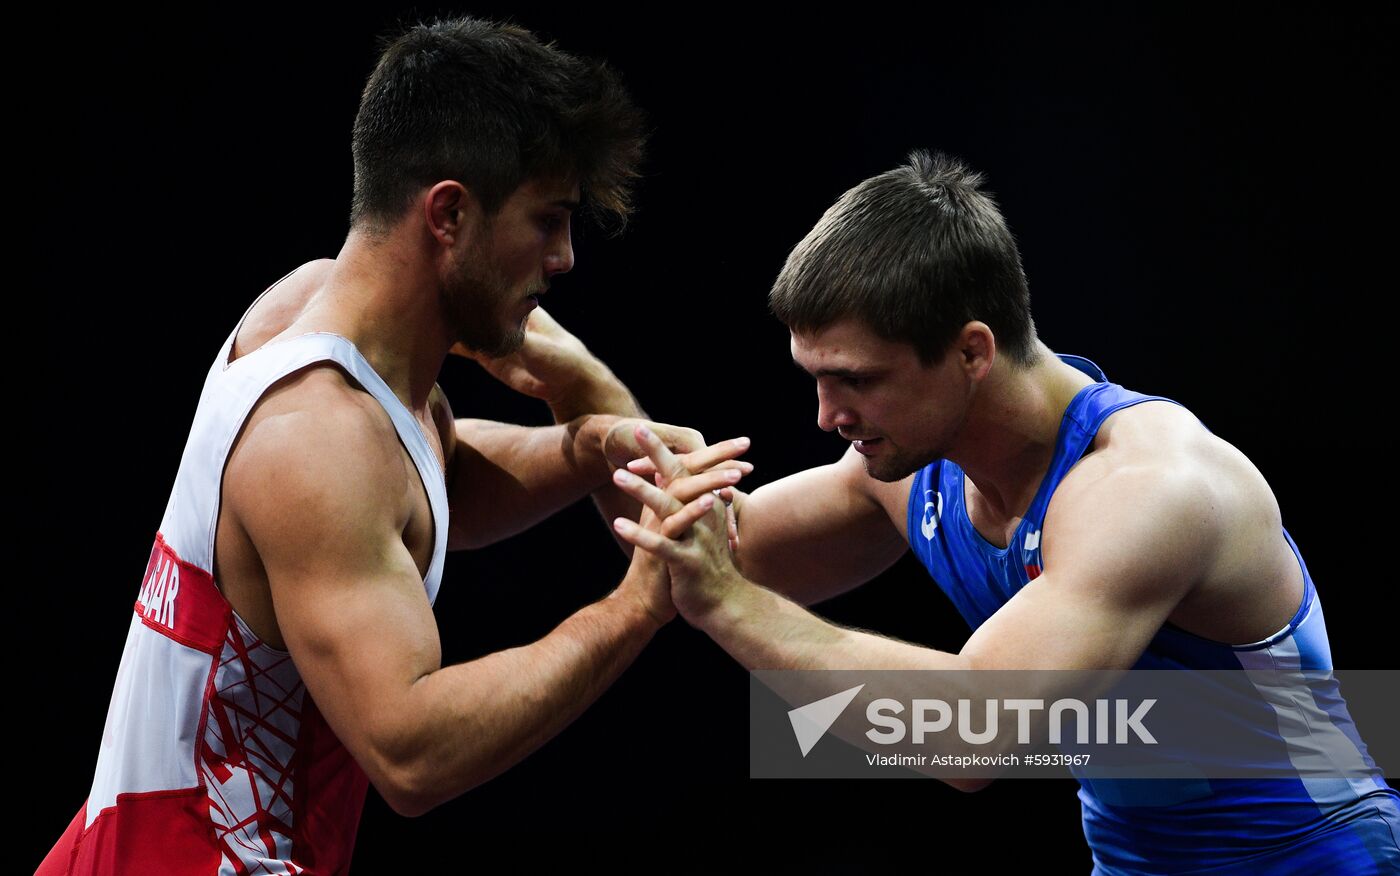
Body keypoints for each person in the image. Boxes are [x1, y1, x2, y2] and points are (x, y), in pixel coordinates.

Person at [38, 17, 749, 875]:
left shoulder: (315, 311)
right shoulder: (313, 442)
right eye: (548, 220)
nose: (563, 258)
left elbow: (416, 489)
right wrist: (638, 605)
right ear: (448, 212)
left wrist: (584, 446)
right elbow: (412, 753)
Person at [610, 150, 1400, 873]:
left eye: (857, 380)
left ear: (972, 352)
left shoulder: (1149, 489)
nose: (827, 417)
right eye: (814, 378)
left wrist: (729, 600)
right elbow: (714, 556)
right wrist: (588, 418)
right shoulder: (904, 468)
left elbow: (970, 736)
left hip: (1320, 860)